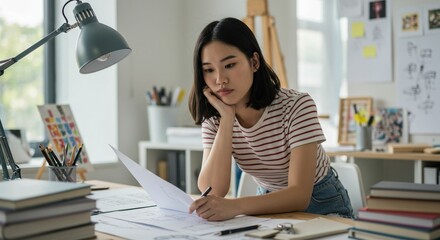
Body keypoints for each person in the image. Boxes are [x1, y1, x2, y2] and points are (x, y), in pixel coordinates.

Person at [188, 17, 353, 221]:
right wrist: (227, 120)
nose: (220, 79)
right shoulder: (217, 117)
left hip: (321, 203)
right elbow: (212, 191)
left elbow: (299, 195)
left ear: (254, 62)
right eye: (209, 70)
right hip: (266, 204)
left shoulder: (297, 106)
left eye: (229, 65)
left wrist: (235, 206)